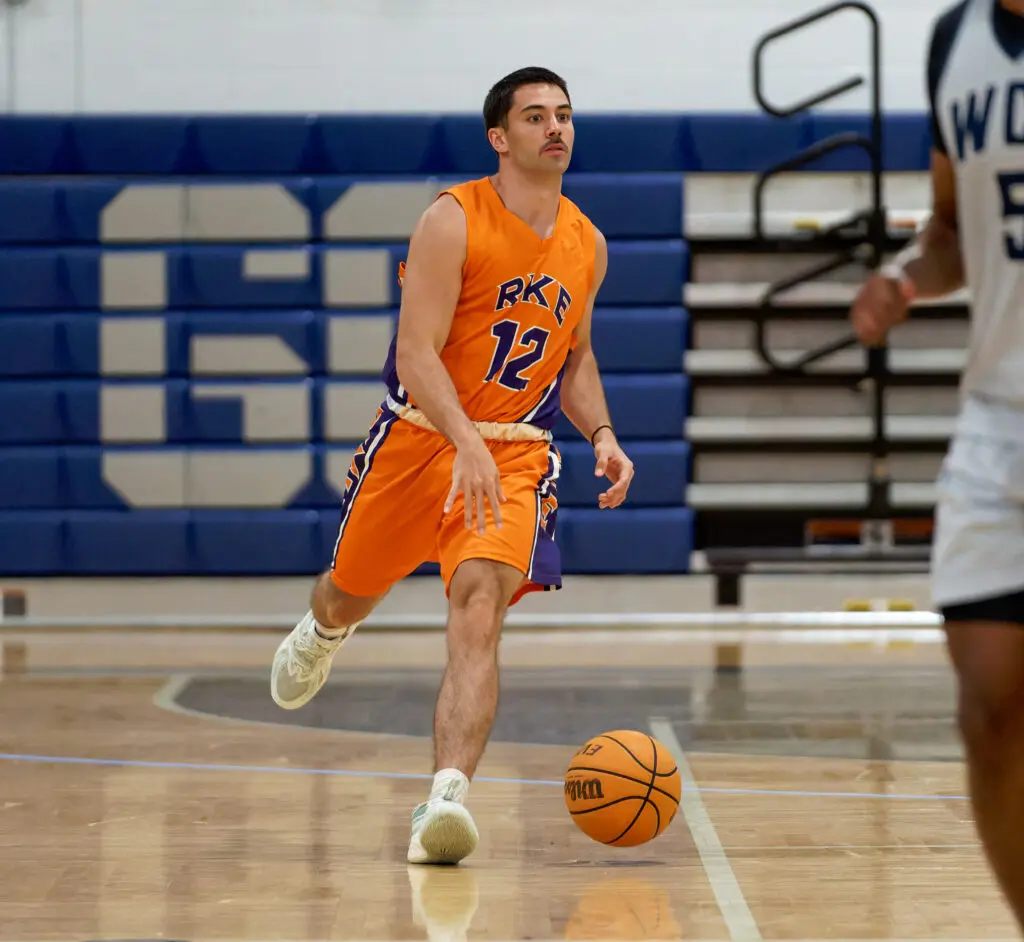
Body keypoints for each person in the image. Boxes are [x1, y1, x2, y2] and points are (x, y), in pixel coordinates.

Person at [269, 66, 635, 866]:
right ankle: (326, 628)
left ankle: (445, 799)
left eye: (565, 115)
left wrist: (602, 431)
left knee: (479, 609)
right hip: (418, 441)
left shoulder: (589, 243)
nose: (556, 128)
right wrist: (462, 438)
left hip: (512, 457)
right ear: (500, 138)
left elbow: (574, 359)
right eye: (535, 116)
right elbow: (415, 350)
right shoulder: (451, 218)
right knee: (347, 591)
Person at [849, 0, 1024, 928]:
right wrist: (908, 275)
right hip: (1000, 418)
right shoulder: (957, 43)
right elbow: (955, 225)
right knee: (989, 709)